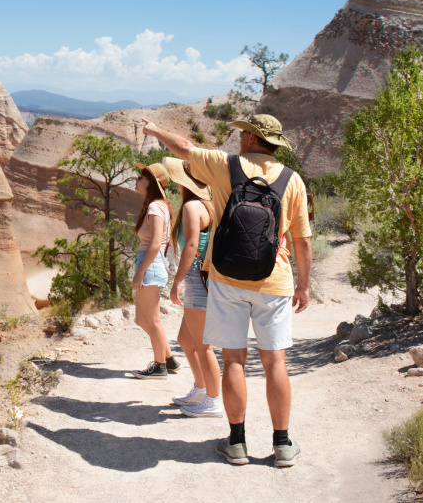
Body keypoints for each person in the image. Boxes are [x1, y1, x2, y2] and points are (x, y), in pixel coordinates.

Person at [141, 114, 311, 468]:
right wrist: (304, 285)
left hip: (226, 278)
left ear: (251, 138)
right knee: (274, 361)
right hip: (274, 281)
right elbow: (302, 241)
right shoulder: (293, 180)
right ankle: (281, 444)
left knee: (233, 359)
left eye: (243, 134)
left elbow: (184, 150)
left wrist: (156, 130)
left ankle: (236, 443)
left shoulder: (225, 166)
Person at [160, 157, 223, 418]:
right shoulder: (209, 205)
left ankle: (213, 400)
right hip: (204, 278)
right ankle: (201, 389)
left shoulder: (191, 207)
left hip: (197, 279)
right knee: (186, 340)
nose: (175, 185)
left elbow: (191, 246)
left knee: (203, 345)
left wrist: (176, 283)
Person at [128, 162, 180, 380]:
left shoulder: (154, 207)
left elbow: (156, 243)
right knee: (142, 319)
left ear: (152, 183)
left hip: (149, 264)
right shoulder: (158, 206)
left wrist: (140, 272)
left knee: (153, 320)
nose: (137, 179)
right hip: (150, 263)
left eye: (142, 176)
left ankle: (159, 367)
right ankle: (168, 359)